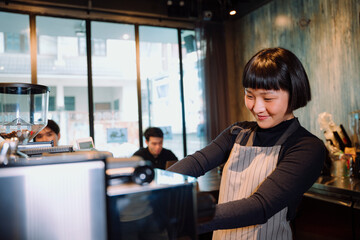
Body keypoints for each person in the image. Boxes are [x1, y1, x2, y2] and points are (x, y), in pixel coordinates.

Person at [167, 47, 326, 239]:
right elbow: (197, 162)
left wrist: (187, 219)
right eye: (249, 95)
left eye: (268, 98)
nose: (257, 107)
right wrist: (153, 190)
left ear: (293, 94)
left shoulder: (306, 147)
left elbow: (260, 206)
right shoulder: (237, 133)